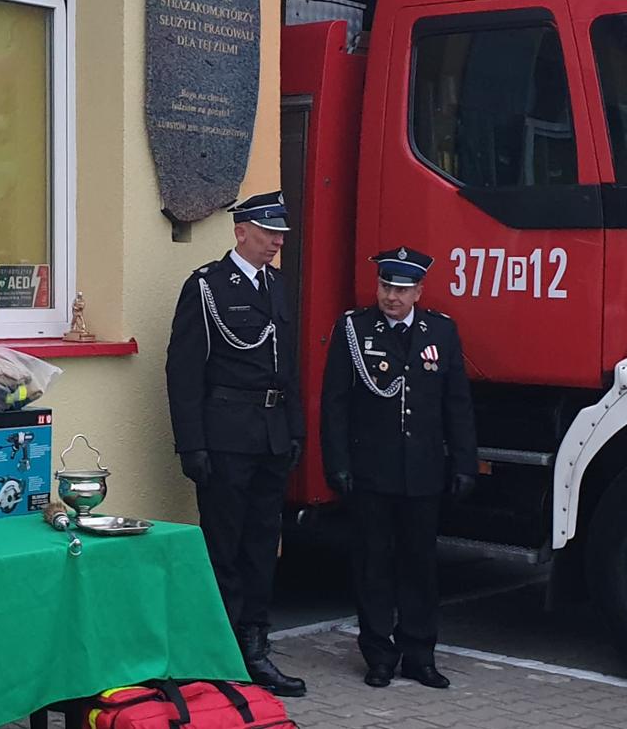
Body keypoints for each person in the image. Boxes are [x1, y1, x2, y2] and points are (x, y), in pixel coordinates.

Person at [164, 190, 308, 697]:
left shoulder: (277, 286)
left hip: (270, 437)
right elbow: (184, 371)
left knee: (262, 547)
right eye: (268, 233)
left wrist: (294, 429)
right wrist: (191, 444)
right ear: (240, 231)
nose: (276, 242)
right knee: (223, 548)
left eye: (280, 235)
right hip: (225, 437)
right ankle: (219, 651)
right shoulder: (207, 286)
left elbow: (287, 368)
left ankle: (255, 647)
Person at [319, 246, 477, 690]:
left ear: (419, 291)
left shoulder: (440, 331)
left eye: (402, 289)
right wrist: (337, 463)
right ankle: (378, 655)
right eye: (386, 286)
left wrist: (464, 461)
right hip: (371, 470)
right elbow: (335, 403)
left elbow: (457, 404)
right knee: (373, 565)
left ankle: (420, 655)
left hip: (423, 472)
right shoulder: (354, 329)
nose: (392, 296)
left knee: (420, 566)